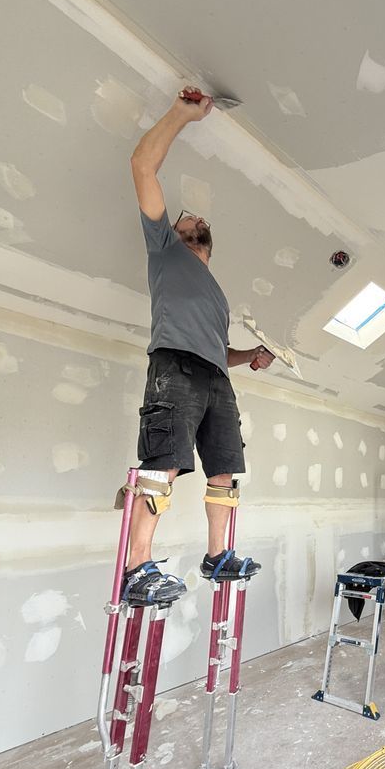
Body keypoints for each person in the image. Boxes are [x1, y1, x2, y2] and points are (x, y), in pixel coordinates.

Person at [121, 87, 274, 606]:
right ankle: (137, 567)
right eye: (187, 217)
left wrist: (249, 357)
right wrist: (181, 114)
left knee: (225, 469)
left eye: (200, 222)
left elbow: (219, 348)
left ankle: (218, 556)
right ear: (174, 230)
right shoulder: (164, 249)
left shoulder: (217, 293)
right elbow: (142, 165)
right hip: (175, 367)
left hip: (217, 378)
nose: (195, 220)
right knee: (163, 460)